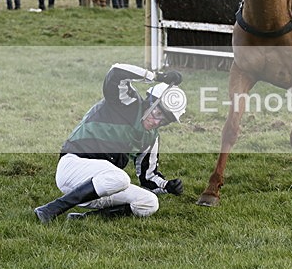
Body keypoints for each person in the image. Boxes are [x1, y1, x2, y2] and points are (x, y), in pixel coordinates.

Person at [34, 63, 186, 223]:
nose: (157, 121)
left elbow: (148, 177)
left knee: (149, 202)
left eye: (164, 121)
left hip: (102, 185)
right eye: (158, 113)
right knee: (120, 178)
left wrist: (167, 185)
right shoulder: (126, 102)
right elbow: (116, 71)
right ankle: (50, 209)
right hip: (72, 168)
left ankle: (83, 219)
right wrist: (158, 76)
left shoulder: (151, 138)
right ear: (150, 101)